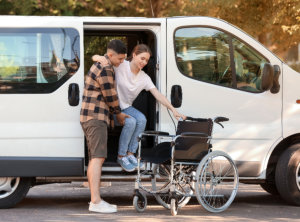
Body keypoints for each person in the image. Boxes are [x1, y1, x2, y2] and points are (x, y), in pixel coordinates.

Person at [93, 44, 186, 172]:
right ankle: (121, 156)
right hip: (112, 107)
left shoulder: (144, 78)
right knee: (130, 122)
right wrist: (99, 57)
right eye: (142, 58)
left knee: (142, 119)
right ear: (134, 55)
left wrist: (173, 110)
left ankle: (131, 154)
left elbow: (158, 94)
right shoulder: (121, 65)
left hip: (126, 107)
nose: (144, 62)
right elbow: (98, 57)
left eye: (146, 60)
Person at [80, 40, 129, 213]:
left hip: (91, 116)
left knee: (95, 157)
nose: (122, 62)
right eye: (120, 59)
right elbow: (110, 95)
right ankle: (95, 201)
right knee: (98, 158)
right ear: (110, 55)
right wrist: (118, 114)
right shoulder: (106, 68)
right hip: (96, 116)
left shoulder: (101, 63)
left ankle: (96, 200)